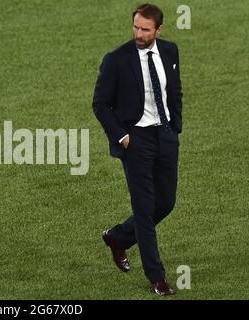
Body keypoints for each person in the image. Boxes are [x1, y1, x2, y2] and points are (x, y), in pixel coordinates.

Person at [92, 3, 183, 296]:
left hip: (166, 136)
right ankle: (157, 278)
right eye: (136, 27)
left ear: (158, 29)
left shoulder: (170, 52)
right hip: (136, 140)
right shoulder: (116, 60)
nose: (139, 34)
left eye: (145, 29)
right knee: (144, 209)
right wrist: (122, 136)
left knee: (165, 203)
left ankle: (118, 237)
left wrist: (175, 126)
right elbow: (100, 103)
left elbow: (174, 90)